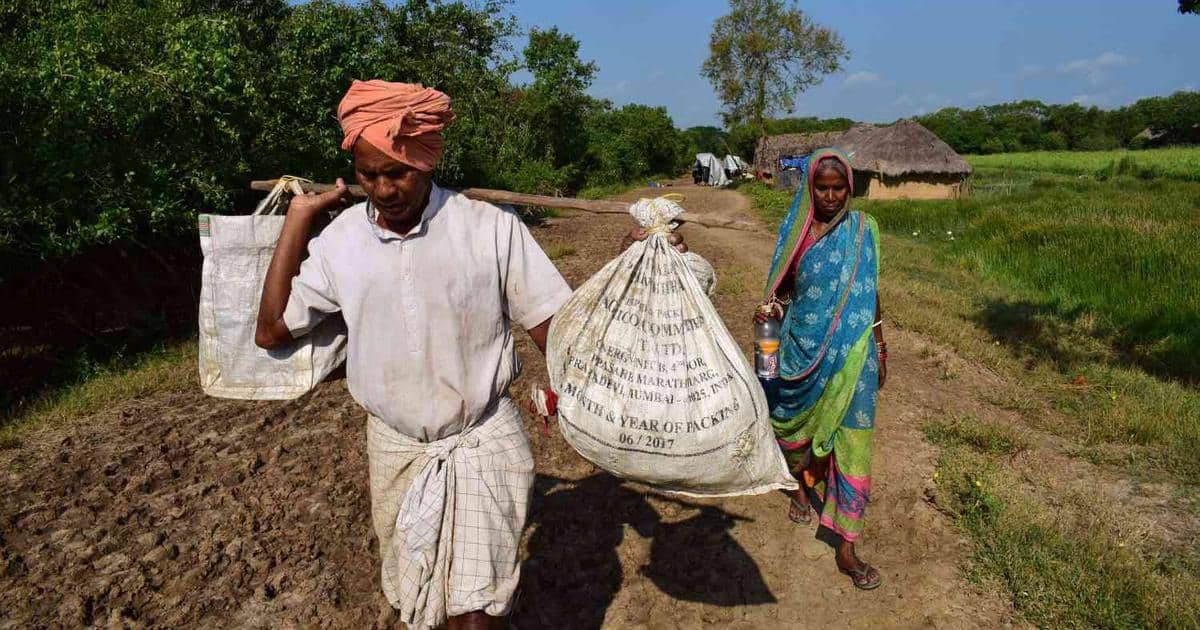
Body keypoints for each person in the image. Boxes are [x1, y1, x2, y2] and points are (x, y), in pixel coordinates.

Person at [254, 79, 686, 630]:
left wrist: (639, 268)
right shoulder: (340, 243)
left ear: (428, 163)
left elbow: (561, 334)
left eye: (397, 173)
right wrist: (297, 221)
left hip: (482, 439)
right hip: (395, 449)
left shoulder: (490, 230)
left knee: (478, 614)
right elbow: (271, 331)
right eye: (368, 176)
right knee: (421, 608)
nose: (383, 190)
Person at [754, 147, 887, 590]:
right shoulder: (798, 233)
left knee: (854, 441)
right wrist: (769, 315)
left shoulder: (864, 230)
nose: (831, 196)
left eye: (838, 188)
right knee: (789, 424)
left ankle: (847, 543)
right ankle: (798, 486)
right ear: (810, 188)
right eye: (822, 187)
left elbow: (870, 291)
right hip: (800, 349)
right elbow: (781, 289)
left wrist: (881, 346)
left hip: (854, 354)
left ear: (850, 188)